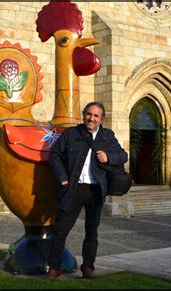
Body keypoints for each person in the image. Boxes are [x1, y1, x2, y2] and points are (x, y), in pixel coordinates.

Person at [47, 102, 128, 279]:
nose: (91, 118)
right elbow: (54, 155)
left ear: (101, 119)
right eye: (89, 114)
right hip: (73, 189)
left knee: (92, 231)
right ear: (83, 115)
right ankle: (54, 267)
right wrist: (62, 178)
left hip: (96, 190)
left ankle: (88, 267)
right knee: (61, 229)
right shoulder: (71, 133)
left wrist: (108, 157)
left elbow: (123, 155)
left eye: (96, 116)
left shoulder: (107, 137)